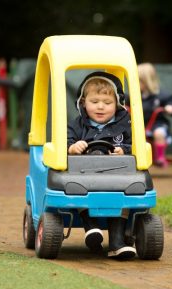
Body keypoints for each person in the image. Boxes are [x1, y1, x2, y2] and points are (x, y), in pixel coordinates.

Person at [67, 71, 136, 259]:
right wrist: (72, 147)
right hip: (83, 176)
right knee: (75, 186)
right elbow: (64, 141)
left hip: (117, 177)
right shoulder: (78, 125)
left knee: (126, 192)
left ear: (117, 104)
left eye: (107, 103)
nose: (100, 107)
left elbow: (136, 144)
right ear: (83, 103)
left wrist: (124, 149)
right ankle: (91, 228)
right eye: (94, 102)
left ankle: (116, 242)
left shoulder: (125, 125)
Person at [137, 63, 172, 167]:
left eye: (139, 81)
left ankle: (160, 157)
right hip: (140, 125)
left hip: (157, 124)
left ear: (147, 81)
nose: (136, 83)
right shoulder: (136, 95)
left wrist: (170, 107)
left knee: (159, 133)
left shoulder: (161, 95)